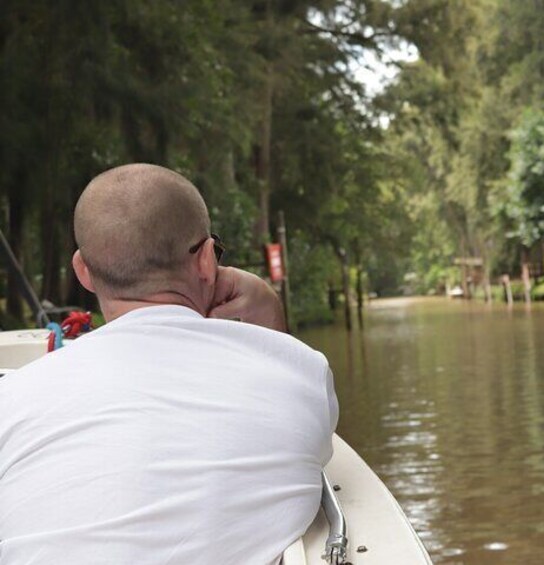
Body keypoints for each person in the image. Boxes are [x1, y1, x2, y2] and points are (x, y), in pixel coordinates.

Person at [0, 164, 338, 564]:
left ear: (83, 272)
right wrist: (269, 315)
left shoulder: (12, 397)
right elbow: (304, 435)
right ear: (207, 260)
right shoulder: (302, 372)